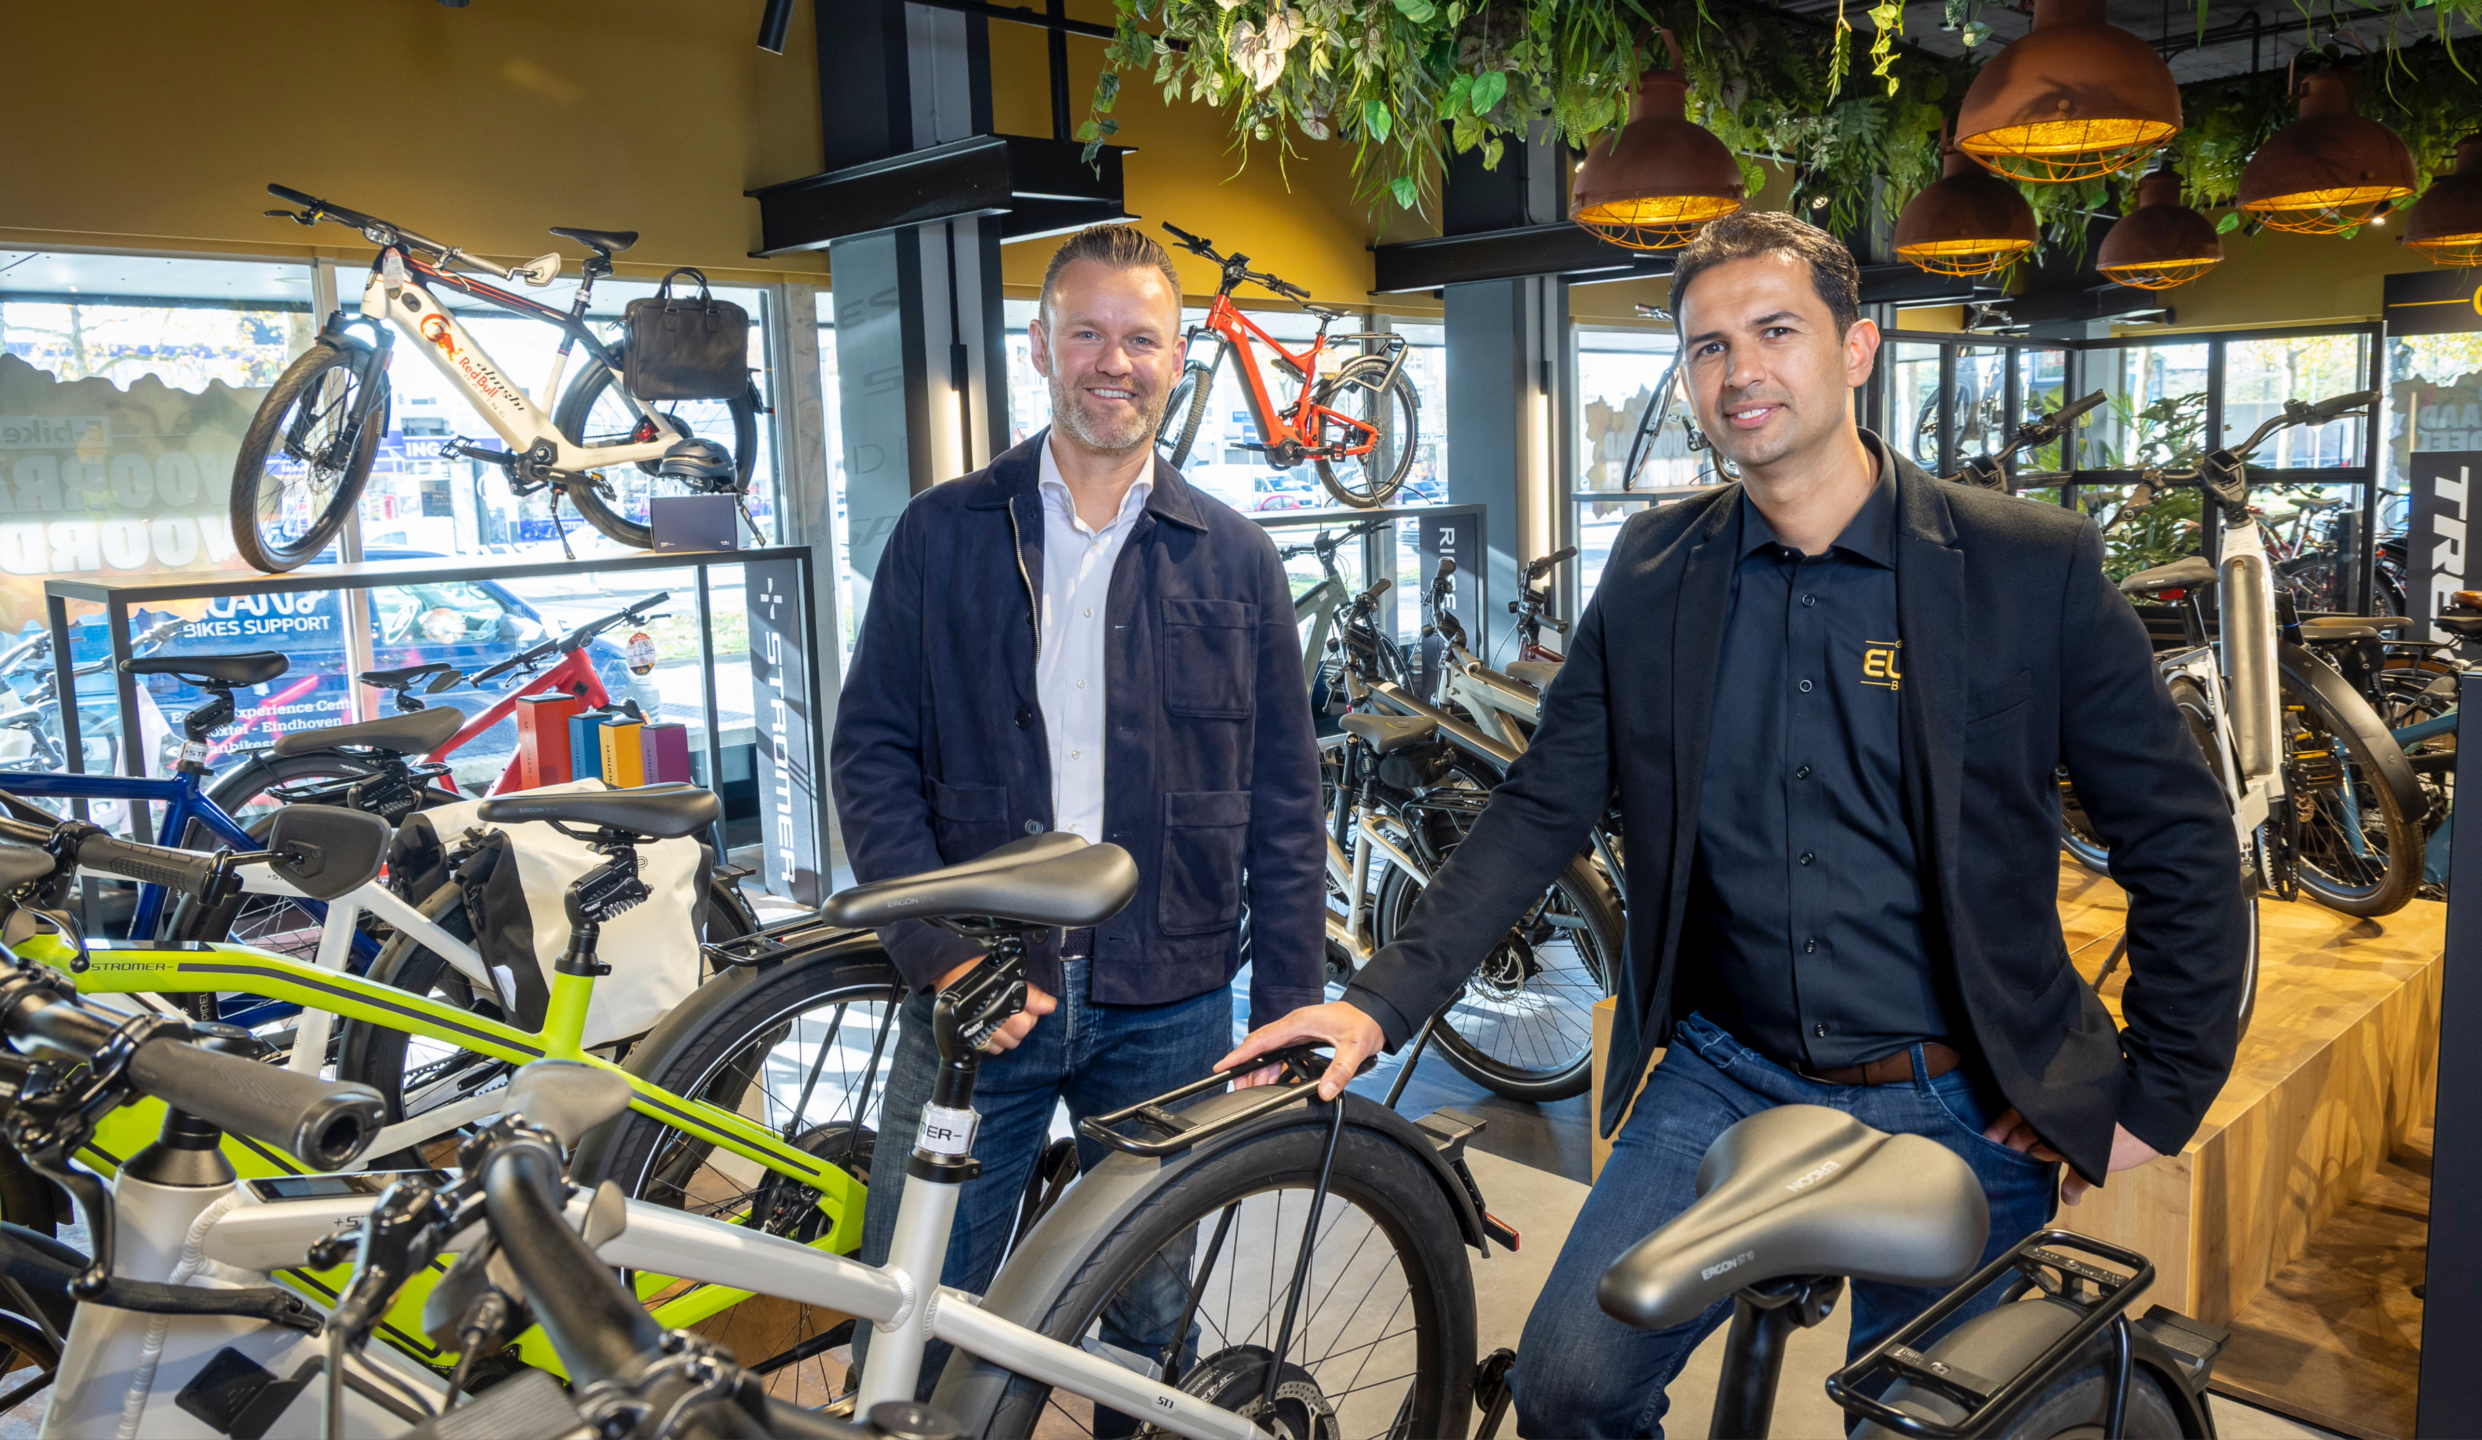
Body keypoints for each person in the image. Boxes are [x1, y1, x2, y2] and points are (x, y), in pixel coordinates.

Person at [1222, 210, 2248, 1437]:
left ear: (1856, 349)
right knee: (1567, 1391)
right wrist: (1377, 1002)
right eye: (1706, 347)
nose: (1739, 371)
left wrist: (2153, 1098)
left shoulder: (2028, 564)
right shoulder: (1655, 569)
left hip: (1962, 1090)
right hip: (1723, 1072)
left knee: (1916, 1426)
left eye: (1774, 331)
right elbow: (1540, 806)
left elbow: (2179, 841)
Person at [830, 224, 1325, 1393]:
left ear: (1177, 359)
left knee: (1146, 1311)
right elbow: (873, 752)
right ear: (1040, 347)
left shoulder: (1236, 558)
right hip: (979, 985)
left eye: (1141, 339)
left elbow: (1284, 801)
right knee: (912, 1300)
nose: (1114, 362)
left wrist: (1289, 1003)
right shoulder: (944, 533)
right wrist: (937, 951)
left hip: (1174, 999)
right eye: (1087, 333)